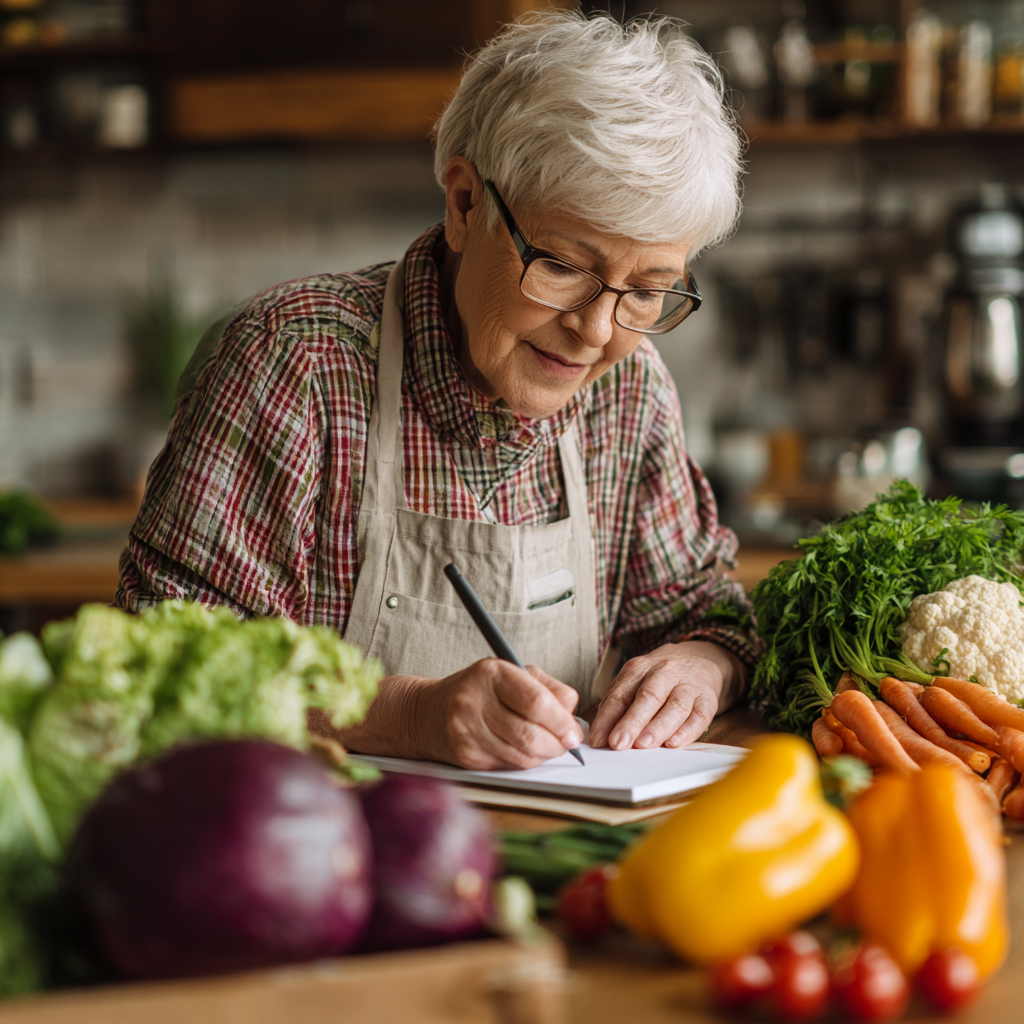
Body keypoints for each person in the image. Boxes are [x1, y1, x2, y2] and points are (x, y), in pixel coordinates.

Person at [117, 11, 760, 770]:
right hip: (318, 859)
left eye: (648, 291)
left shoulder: (628, 388)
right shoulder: (294, 363)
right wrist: (402, 715)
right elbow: (158, 662)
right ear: (463, 204)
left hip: (561, 856)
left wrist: (704, 666)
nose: (596, 331)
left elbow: (705, 614)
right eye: (562, 267)